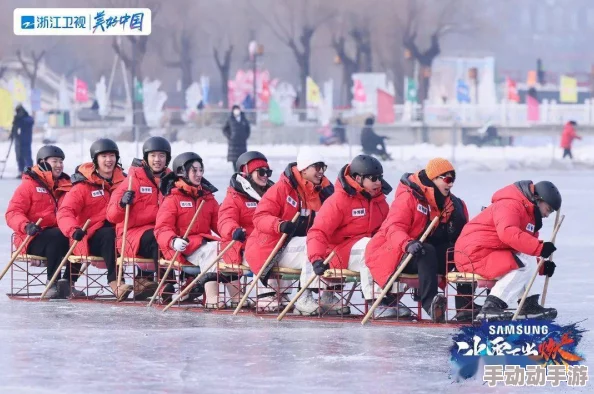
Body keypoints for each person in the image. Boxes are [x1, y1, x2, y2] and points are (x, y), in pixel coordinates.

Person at [365, 158, 469, 323]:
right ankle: (430, 303)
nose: (451, 184)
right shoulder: (409, 197)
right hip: (396, 251)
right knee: (426, 250)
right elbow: (393, 228)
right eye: (447, 179)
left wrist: (453, 223)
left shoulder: (447, 203)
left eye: (453, 180)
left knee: (460, 251)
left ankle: (465, 306)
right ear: (433, 179)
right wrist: (408, 243)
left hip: (421, 253)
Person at [305, 155, 408, 317]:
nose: (378, 183)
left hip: (367, 248)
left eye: (380, 178)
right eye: (373, 178)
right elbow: (318, 231)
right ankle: (376, 300)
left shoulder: (380, 202)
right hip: (337, 254)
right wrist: (316, 258)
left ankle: (390, 298)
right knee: (371, 247)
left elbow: (388, 229)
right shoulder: (338, 201)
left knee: (392, 246)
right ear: (358, 178)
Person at [454, 180, 561, 321]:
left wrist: (541, 267)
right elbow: (508, 233)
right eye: (548, 210)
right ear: (538, 199)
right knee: (522, 267)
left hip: (489, 252)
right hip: (473, 254)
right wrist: (540, 248)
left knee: (527, 261)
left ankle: (528, 305)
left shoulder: (530, 216)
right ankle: (491, 306)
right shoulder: (510, 205)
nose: (548, 215)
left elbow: (524, 251)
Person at [244, 150, 334, 313]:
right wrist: (279, 225)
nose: (321, 171)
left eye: (323, 167)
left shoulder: (323, 191)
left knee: (330, 245)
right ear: (304, 169)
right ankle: (303, 296)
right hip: (272, 247)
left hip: (295, 246)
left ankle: (328, 294)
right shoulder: (282, 189)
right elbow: (259, 217)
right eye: (317, 167)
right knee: (312, 245)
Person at [57, 138, 132, 301]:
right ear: (95, 160)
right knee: (108, 235)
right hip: (90, 236)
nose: (109, 160)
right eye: (104, 156)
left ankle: (146, 282)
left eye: (112, 155)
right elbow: (65, 211)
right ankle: (116, 283)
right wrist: (73, 229)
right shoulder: (83, 186)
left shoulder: (126, 183)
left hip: (122, 234)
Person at [106, 136, 172, 300]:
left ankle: (188, 281)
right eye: (153, 156)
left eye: (161, 156)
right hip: (131, 235)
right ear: (146, 158)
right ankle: (166, 283)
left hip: (161, 229)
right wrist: (122, 203)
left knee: (176, 238)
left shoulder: (171, 181)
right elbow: (111, 215)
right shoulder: (133, 179)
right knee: (158, 238)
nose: (157, 160)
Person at [5, 145, 76, 298]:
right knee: (57, 236)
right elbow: (12, 213)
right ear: (42, 162)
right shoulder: (28, 186)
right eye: (55, 161)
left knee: (79, 237)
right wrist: (25, 225)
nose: (59, 165)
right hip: (31, 237)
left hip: (58, 235)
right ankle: (53, 282)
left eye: (61, 161)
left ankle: (68, 282)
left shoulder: (67, 186)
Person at [155, 152, 221, 307]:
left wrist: (234, 233)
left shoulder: (207, 197)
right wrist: (173, 241)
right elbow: (161, 229)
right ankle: (212, 298)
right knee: (213, 252)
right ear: (182, 172)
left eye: (201, 170)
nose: (199, 174)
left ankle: (237, 298)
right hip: (184, 248)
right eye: (194, 171)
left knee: (226, 249)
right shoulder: (172, 199)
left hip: (204, 243)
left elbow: (220, 223)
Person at [217, 151, 274, 306]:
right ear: (246, 173)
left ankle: (280, 295)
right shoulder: (234, 197)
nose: (265, 176)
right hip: (243, 244)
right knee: (262, 251)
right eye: (261, 172)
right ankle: (265, 295)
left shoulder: (272, 195)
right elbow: (225, 219)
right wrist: (233, 230)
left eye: (268, 172)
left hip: (269, 241)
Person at [223, 105, 251, 172]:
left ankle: (240, 173)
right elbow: (225, 129)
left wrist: (245, 136)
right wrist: (230, 136)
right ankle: (236, 174)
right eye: (235, 109)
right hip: (233, 144)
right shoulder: (230, 119)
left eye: (237, 109)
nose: (236, 111)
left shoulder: (244, 119)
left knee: (242, 160)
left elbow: (248, 129)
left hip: (242, 143)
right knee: (234, 161)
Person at [11, 104, 34, 178]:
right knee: (19, 156)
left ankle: (29, 171)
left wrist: (20, 119)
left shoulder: (27, 118)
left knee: (27, 156)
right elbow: (15, 128)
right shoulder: (18, 119)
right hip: (18, 141)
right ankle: (21, 171)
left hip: (25, 140)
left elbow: (29, 122)